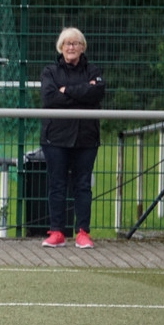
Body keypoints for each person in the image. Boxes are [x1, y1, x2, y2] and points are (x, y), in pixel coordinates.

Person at [38, 27, 105, 249]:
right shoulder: (50, 71)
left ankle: (82, 232)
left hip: (86, 138)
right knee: (57, 185)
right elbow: (49, 98)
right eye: (67, 43)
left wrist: (66, 90)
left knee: (83, 186)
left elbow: (96, 94)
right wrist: (82, 92)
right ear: (61, 47)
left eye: (75, 43)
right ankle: (56, 232)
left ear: (82, 47)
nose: (71, 47)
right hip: (55, 138)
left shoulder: (94, 70)